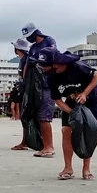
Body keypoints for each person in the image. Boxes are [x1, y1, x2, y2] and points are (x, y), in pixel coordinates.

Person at [33, 49, 97, 181]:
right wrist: (73, 113)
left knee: (88, 132)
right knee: (66, 130)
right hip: (72, 103)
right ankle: (68, 168)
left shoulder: (78, 67)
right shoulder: (51, 77)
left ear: (56, 64)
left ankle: (86, 168)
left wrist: (85, 93)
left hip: (92, 100)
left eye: (45, 66)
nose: (43, 69)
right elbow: (58, 100)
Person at [19, 23, 58, 158]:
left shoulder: (49, 41)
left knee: (44, 116)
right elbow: (27, 65)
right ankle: (42, 144)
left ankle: (49, 147)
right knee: (34, 115)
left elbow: (52, 58)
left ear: (36, 33)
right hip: (35, 87)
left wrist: (37, 62)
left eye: (29, 36)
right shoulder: (33, 47)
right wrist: (24, 81)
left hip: (47, 85)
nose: (28, 39)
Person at [10, 38, 33, 150]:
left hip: (26, 91)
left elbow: (25, 76)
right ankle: (25, 141)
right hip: (23, 90)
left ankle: (26, 141)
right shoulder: (22, 59)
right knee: (25, 117)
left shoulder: (26, 60)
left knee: (27, 116)